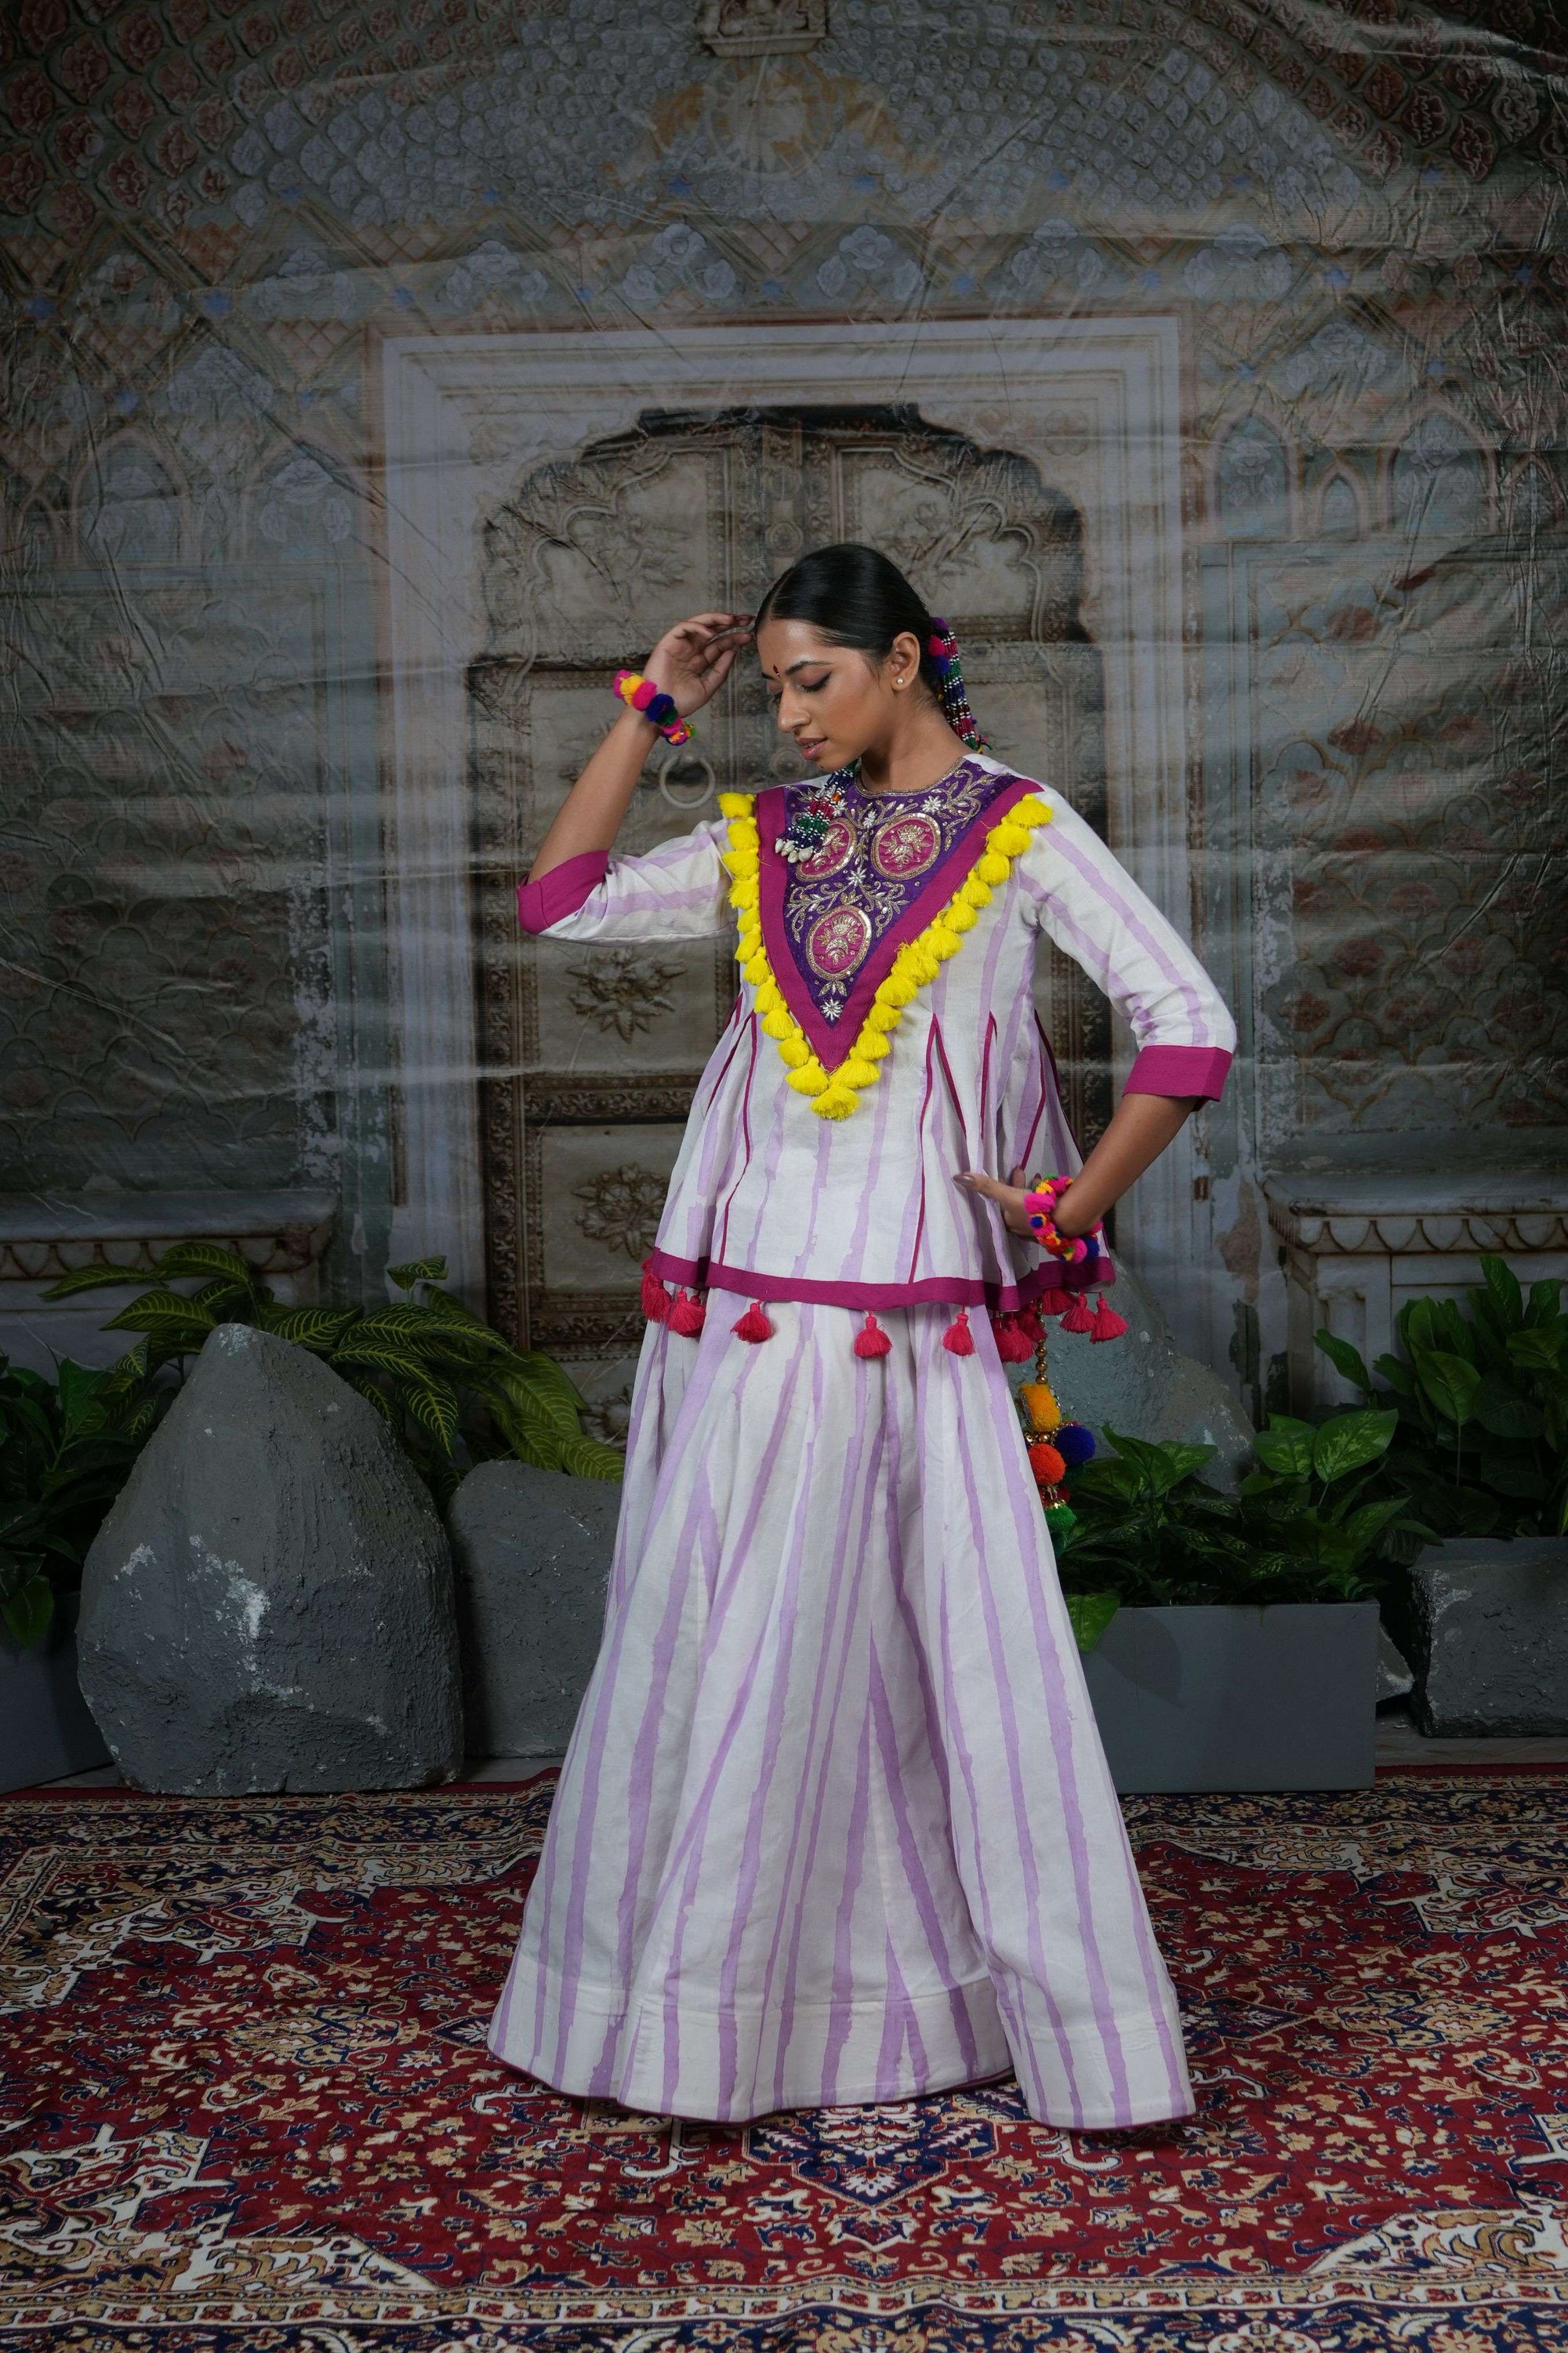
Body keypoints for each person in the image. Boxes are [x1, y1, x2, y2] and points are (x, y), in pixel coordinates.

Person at [488, 541, 1236, 2130]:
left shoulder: (1020, 828)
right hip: (749, 1298)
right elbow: (559, 904)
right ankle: (718, 2020)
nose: (789, 715)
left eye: (808, 679)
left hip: (908, 1312)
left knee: (932, 1654)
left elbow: (1188, 1021)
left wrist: (1066, 1202)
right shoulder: (768, 834)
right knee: (736, 1634)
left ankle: (904, 2017)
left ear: (906, 657)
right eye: (766, 687)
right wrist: (649, 708)